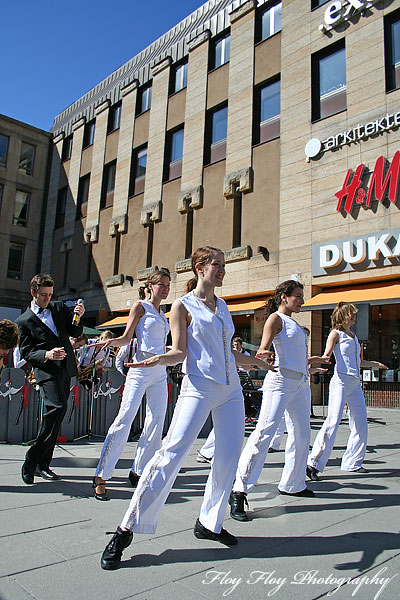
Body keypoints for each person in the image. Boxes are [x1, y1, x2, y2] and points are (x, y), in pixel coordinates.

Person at [99, 246, 273, 570]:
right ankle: (125, 530)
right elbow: (180, 351)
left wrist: (257, 362)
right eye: (216, 265)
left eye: (223, 265)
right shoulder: (182, 305)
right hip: (199, 387)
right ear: (199, 267)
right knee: (170, 454)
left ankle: (209, 522)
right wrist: (158, 359)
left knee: (228, 456)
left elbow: (229, 354)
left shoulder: (223, 307)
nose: (222, 270)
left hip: (231, 390)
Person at [229, 280, 328, 522]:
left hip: (300, 383)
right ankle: (239, 490)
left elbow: (297, 358)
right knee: (264, 433)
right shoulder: (276, 319)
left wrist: (312, 362)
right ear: (284, 297)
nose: (302, 301)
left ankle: (293, 483)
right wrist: (263, 353)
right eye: (298, 296)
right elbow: (264, 346)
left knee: (302, 433)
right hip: (280, 381)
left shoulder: (295, 324)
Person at [92, 269, 171, 500]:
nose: (165, 289)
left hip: (160, 370)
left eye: (168, 285)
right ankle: (101, 475)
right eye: (162, 284)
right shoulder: (140, 307)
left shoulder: (162, 312)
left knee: (156, 422)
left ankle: (138, 470)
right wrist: (110, 343)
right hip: (139, 369)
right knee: (124, 419)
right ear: (151, 285)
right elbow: (127, 337)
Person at [307, 302, 388, 480]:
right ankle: (313, 463)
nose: (354, 317)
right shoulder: (335, 334)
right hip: (340, 382)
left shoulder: (354, 336)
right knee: (333, 420)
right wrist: (312, 360)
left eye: (354, 314)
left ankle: (353, 462)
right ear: (342, 316)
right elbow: (326, 356)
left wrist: (374, 364)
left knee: (360, 422)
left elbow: (358, 362)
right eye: (351, 314)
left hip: (354, 383)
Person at [16, 274, 84, 484]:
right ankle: (32, 459)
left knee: (56, 413)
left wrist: (78, 316)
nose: (47, 298)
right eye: (43, 295)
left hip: (65, 368)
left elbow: (74, 331)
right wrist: (46, 354)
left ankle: (42, 464)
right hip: (46, 370)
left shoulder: (57, 308)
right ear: (33, 293)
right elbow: (27, 352)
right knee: (57, 408)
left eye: (50, 295)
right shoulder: (23, 321)